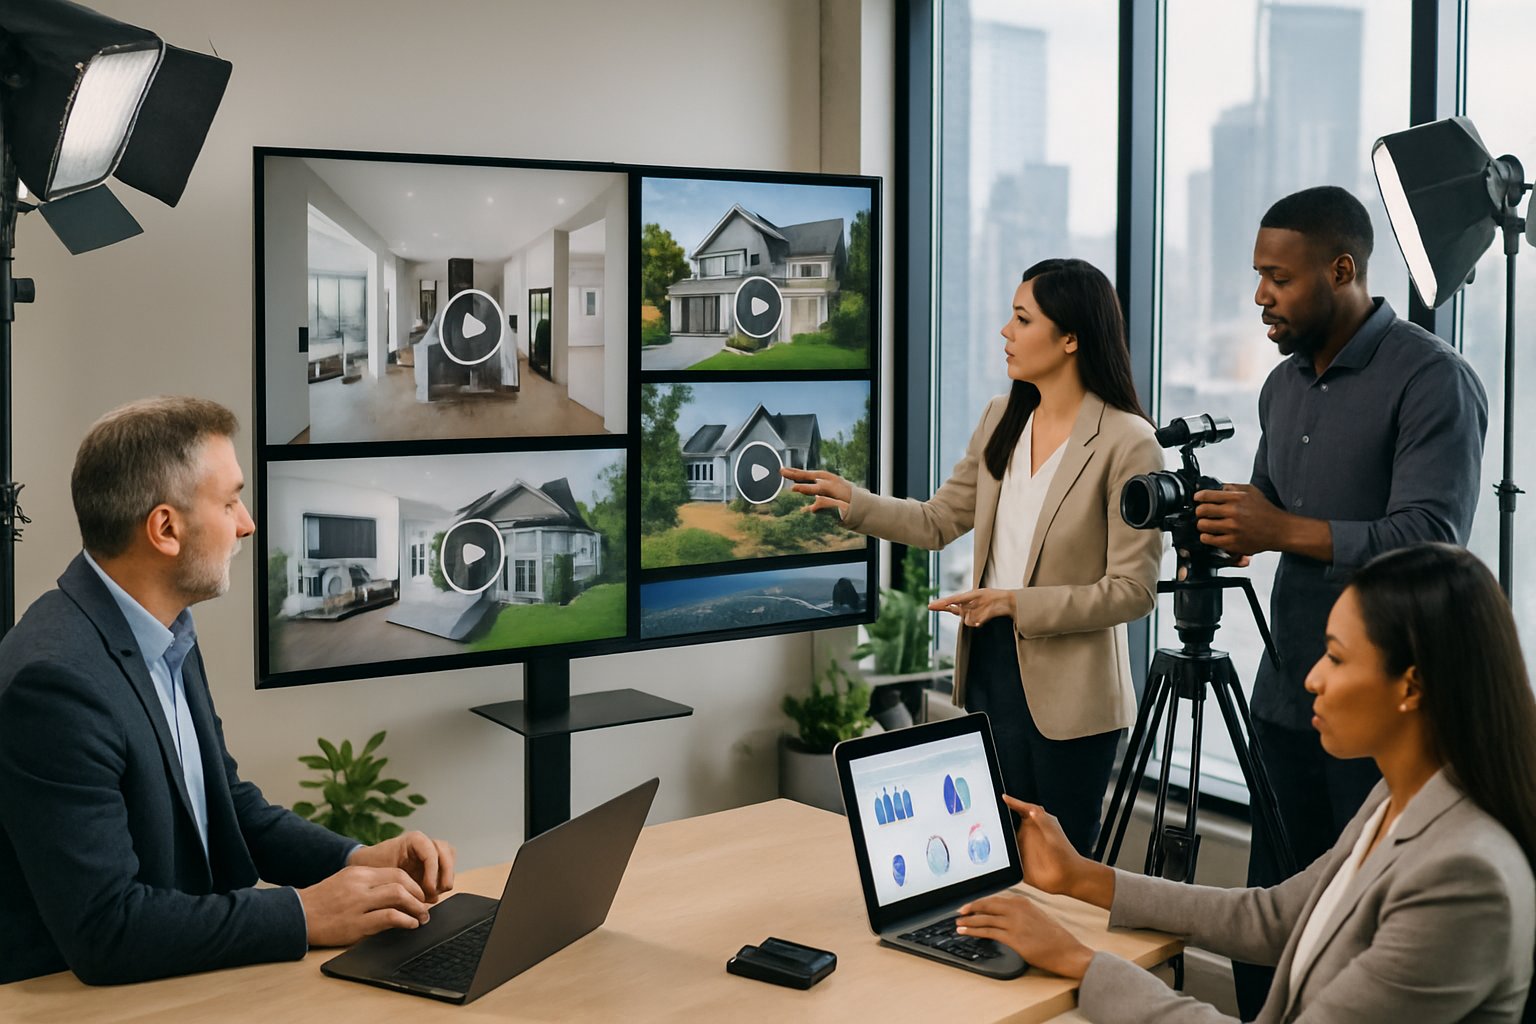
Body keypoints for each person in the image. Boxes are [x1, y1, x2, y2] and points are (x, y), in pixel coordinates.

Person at [956, 542, 1536, 1024]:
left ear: (1410, 687)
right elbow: (1277, 917)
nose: (1311, 678)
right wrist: (1085, 878)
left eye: (1334, 658)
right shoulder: (1401, 798)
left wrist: (1083, 963)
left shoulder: (1464, 877)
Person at [0, 397, 457, 985]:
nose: (247, 523)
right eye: (230, 501)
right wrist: (305, 912)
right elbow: (105, 929)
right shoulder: (54, 683)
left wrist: (351, 859)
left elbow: (226, 803)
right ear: (166, 528)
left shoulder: (161, 629)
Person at [1190, 186, 1488, 1015]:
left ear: (1343, 269)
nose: (1260, 298)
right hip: (1287, 694)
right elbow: (1272, 509)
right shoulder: (1280, 389)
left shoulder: (1434, 380)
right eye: (1257, 277)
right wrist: (1231, 529)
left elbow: (1431, 541)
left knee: (1354, 930)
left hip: (1383, 710)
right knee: (1272, 916)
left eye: (1278, 278)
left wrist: (1283, 526)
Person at [783, 257, 1163, 854]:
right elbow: (938, 522)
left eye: (1021, 319)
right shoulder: (1000, 418)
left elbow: (1132, 591)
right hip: (991, 670)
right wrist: (852, 500)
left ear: (1070, 339)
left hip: (1074, 696)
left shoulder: (1128, 441)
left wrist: (1015, 603)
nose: (1005, 333)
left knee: (1061, 871)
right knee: (992, 854)